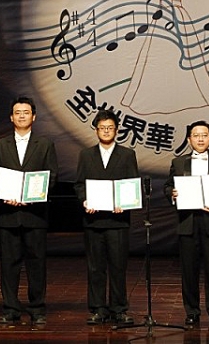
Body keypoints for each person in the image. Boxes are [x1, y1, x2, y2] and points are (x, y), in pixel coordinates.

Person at [0, 96, 58, 325]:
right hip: (8, 215)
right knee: (9, 264)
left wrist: (32, 198)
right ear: (11, 117)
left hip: (34, 214)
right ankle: (10, 308)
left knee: (36, 263)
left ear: (34, 117)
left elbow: (52, 177)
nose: (22, 116)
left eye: (26, 112)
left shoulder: (45, 144)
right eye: (17, 112)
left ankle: (37, 308)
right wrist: (7, 196)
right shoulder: (0, 145)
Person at [73, 110, 137, 325]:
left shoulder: (127, 155)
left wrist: (125, 204)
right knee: (95, 267)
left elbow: (132, 184)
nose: (106, 131)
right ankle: (98, 308)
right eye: (102, 128)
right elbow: (80, 184)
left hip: (118, 221)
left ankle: (119, 309)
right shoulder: (86, 154)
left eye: (110, 128)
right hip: (93, 221)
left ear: (117, 130)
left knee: (118, 266)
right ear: (96, 130)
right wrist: (84, 201)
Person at [163, 121, 209, 326]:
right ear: (189, 139)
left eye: (204, 135)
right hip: (188, 221)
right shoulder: (179, 163)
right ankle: (191, 311)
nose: (200, 139)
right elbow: (167, 187)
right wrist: (172, 194)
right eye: (196, 135)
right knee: (189, 271)